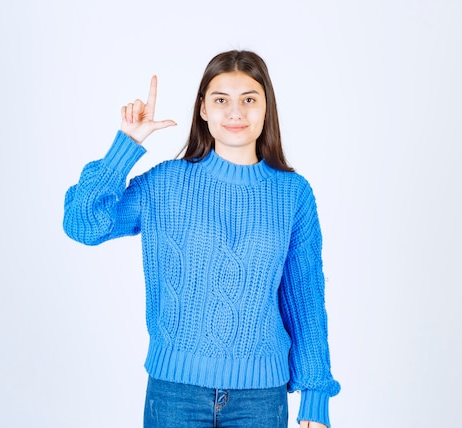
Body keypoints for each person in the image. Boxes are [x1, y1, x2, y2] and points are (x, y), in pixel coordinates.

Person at [63, 50, 340, 427]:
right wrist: (125, 146)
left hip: (260, 400)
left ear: (265, 108)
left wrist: (315, 396)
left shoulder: (293, 194)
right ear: (204, 110)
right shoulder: (165, 182)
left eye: (249, 99)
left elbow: (305, 297)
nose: (235, 112)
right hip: (175, 393)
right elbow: (83, 224)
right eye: (221, 100)